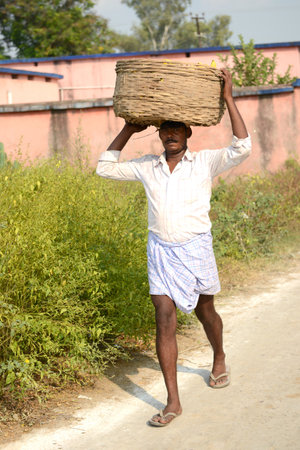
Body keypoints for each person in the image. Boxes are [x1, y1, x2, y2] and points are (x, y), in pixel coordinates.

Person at [96, 69, 251, 427]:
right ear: (160, 135)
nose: (170, 135)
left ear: (187, 133)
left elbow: (243, 147)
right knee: (163, 317)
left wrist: (228, 98)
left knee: (205, 311)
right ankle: (173, 402)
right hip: (161, 252)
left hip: (196, 248)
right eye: (165, 130)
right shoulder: (147, 167)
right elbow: (105, 169)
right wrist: (130, 129)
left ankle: (219, 355)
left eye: (176, 130)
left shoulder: (205, 162)